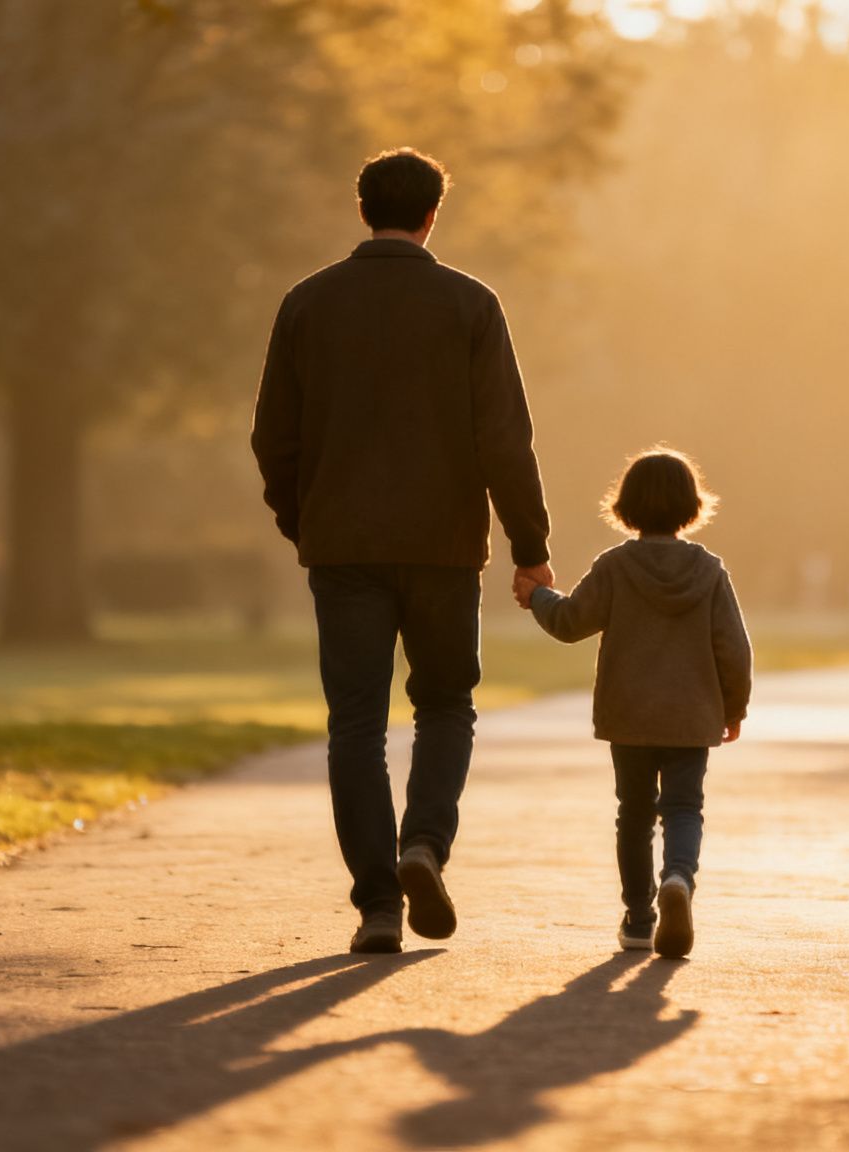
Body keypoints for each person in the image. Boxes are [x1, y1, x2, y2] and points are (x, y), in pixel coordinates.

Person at [251, 148, 555, 955]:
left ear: (363, 211)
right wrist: (531, 545)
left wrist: (304, 522)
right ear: (431, 216)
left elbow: (272, 438)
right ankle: (424, 844)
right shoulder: (470, 305)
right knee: (445, 705)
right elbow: (504, 440)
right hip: (446, 547)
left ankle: (378, 905)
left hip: (343, 545)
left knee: (354, 722)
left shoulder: (307, 305)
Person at [516, 449, 751, 959]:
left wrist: (537, 595)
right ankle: (678, 880)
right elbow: (734, 649)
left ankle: (640, 919)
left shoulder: (616, 567)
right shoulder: (709, 571)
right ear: (692, 505)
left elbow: (571, 621)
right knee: (685, 807)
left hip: (630, 715)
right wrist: (733, 708)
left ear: (626, 506)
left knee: (635, 814)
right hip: (692, 717)